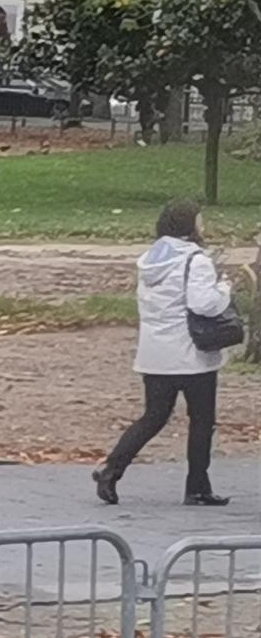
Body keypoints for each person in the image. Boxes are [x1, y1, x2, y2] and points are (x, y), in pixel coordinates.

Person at [94, 199, 235, 507]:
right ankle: (197, 486)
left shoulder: (149, 260)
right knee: (201, 420)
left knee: (154, 416)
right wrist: (224, 289)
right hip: (192, 355)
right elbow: (203, 304)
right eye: (199, 220)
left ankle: (112, 468)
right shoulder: (195, 260)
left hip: (155, 353)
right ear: (189, 225)